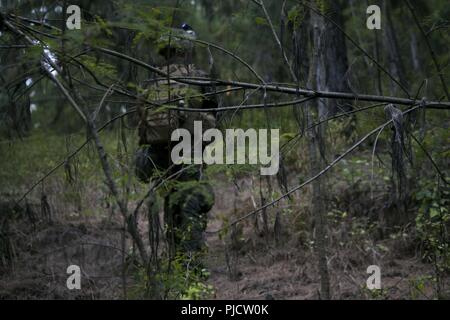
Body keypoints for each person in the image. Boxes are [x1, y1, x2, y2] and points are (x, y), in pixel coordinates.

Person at [135, 23, 216, 258]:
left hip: (159, 154)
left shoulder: (151, 83)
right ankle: (192, 263)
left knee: (172, 200)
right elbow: (214, 118)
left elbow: (140, 125)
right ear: (186, 48)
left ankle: (176, 259)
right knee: (193, 199)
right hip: (190, 150)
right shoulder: (199, 78)